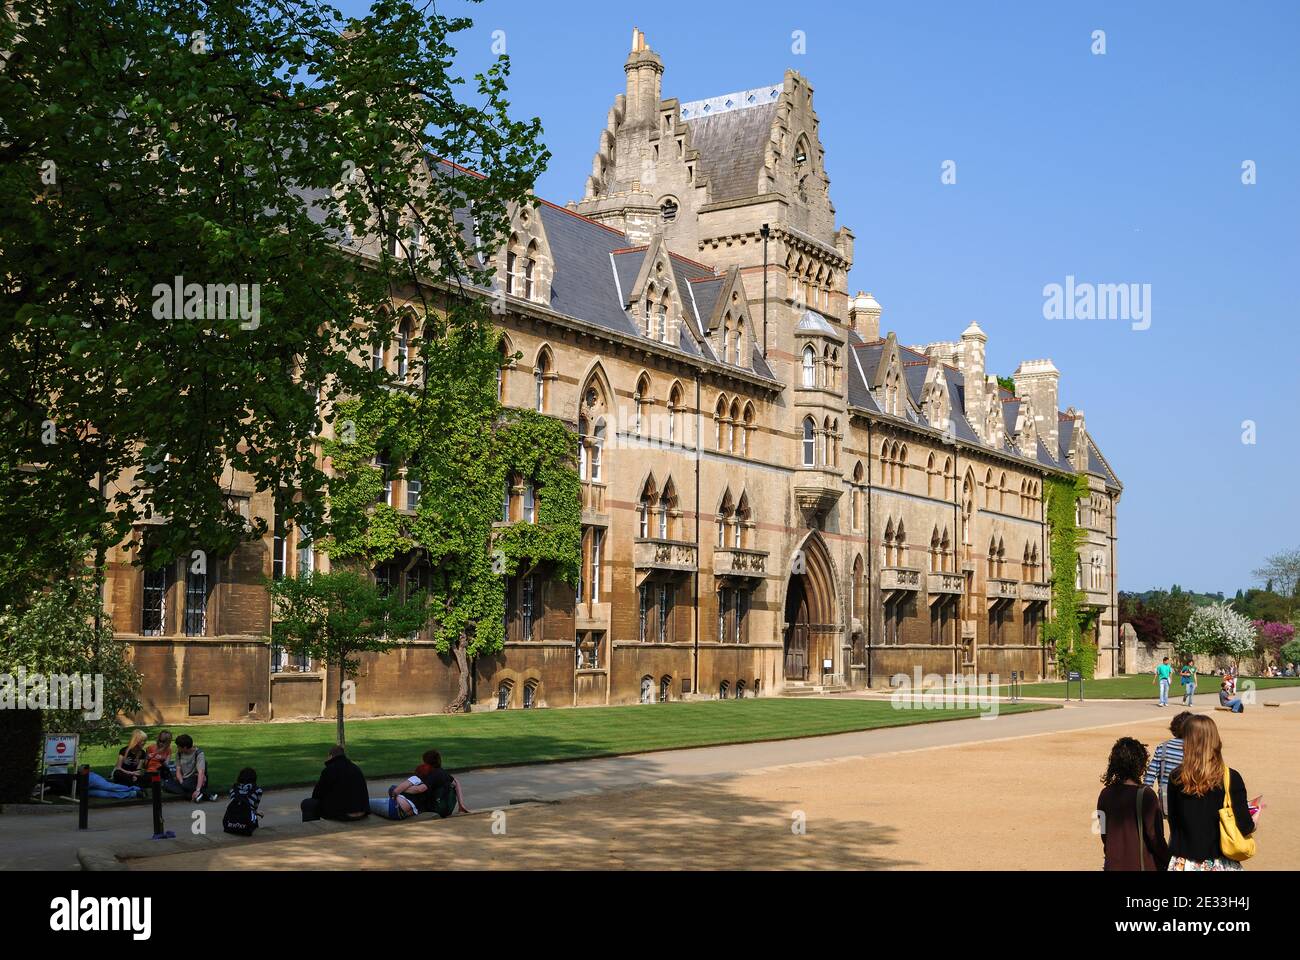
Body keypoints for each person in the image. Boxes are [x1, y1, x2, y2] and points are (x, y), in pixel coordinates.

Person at [1166, 715, 1261, 870]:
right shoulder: (1231, 777)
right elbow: (1244, 826)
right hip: (1219, 861)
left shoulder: (1176, 778)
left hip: (1183, 862)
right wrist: (1254, 821)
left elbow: (1174, 821)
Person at [1096, 736, 1167, 871]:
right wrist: (1168, 860)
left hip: (1113, 865)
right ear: (1140, 765)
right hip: (1143, 865)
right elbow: (1156, 838)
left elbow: (1103, 832)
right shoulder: (1147, 795)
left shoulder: (1105, 794)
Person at [301, 745, 369, 822]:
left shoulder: (329, 770)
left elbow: (316, 795)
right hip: (362, 811)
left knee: (308, 804)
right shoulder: (355, 768)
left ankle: (312, 829)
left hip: (344, 813)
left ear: (330, 756)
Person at [1142, 711, 1191, 810]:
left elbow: (1150, 775)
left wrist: (1146, 797)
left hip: (1166, 798)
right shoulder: (1195, 748)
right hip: (1189, 797)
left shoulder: (1163, 747)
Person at [163, 734, 218, 801]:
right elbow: (178, 771)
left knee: (186, 785)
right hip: (184, 779)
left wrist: (198, 789)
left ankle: (204, 794)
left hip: (196, 779)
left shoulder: (198, 753)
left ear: (185, 747)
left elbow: (201, 772)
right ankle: (200, 795)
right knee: (167, 785)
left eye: (178, 747)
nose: (177, 748)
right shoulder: (179, 754)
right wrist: (182, 782)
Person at [418, 749, 471, 818]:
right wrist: (461, 804)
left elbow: (421, 789)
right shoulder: (443, 772)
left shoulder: (431, 775)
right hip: (448, 809)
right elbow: (456, 783)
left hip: (436, 809)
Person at [222, 768, 264, 836]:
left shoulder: (233, 789)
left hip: (231, 822)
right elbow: (253, 808)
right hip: (246, 821)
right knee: (254, 817)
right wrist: (258, 813)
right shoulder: (258, 790)